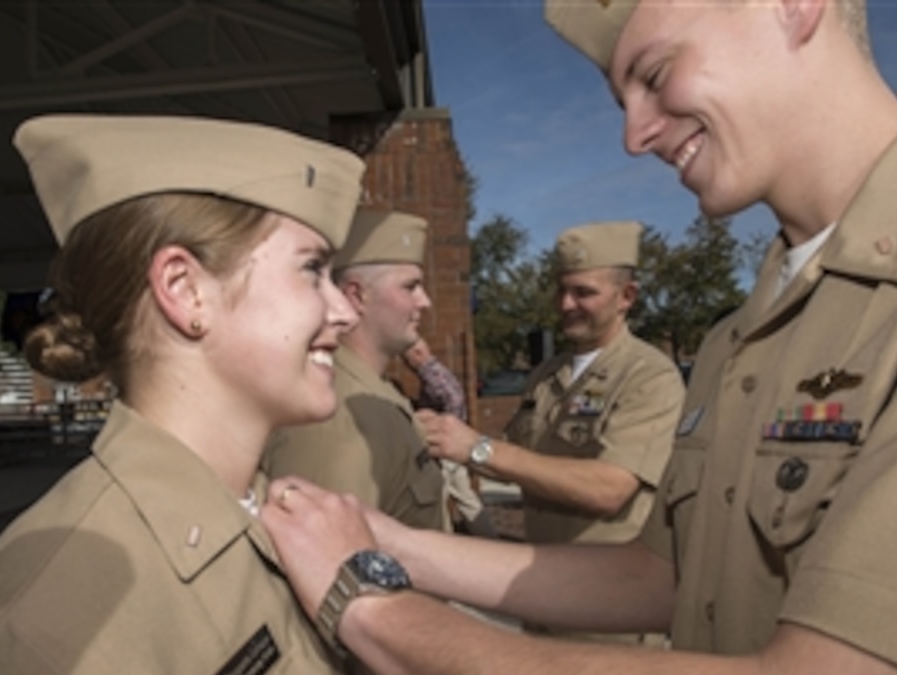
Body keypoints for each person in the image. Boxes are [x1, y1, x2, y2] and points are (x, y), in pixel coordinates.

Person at [259, 0, 897, 675]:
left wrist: (368, 603)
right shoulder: (738, 339)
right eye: (621, 98)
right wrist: (387, 544)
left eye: (657, 74)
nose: (634, 135)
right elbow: (662, 577)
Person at [0, 114, 376, 675]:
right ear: (185, 290)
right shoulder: (43, 633)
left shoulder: (278, 518)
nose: (344, 311)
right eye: (312, 269)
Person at [418, 220, 684, 643]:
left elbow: (609, 488)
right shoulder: (547, 374)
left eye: (584, 292)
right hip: (544, 596)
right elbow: (517, 458)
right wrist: (437, 441)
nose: (566, 304)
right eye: (561, 289)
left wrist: (479, 449)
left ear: (626, 297)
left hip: (608, 611)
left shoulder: (649, 378)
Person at [263, 209, 445, 531]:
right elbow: (332, 564)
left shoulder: (371, 391)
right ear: (356, 295)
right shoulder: (338, 413)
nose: (425, 301)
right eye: (410, 287)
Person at [402, 336, 500, 539]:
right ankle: (489, 538)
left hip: (445, 447)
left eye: (407, 357)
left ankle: (444, 541)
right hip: (451, 446)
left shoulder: (433, 375)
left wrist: (440, 423)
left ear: (417, 354)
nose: (405, 363)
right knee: (466, 499)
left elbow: (453, 401)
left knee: (438, 498)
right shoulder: (437, 372)